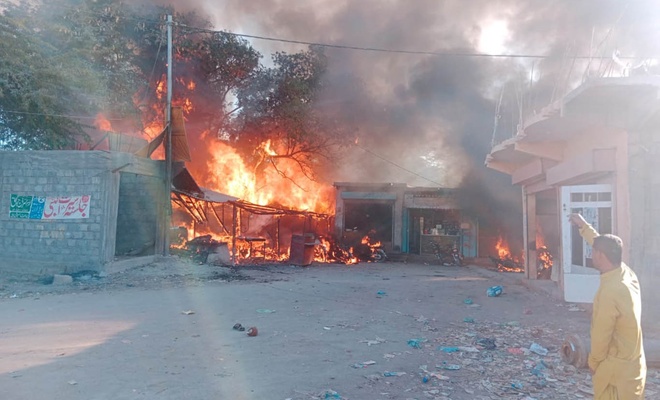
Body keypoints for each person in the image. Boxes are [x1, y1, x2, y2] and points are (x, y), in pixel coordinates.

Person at [569, 213, 646, 399]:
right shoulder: (626, 273)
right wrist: (584, 227)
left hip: (615, 373)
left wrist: (593, 363)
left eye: (593, 252)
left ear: (600, 255)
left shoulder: (610, 292)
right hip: (634, 367)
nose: (591, 255)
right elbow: (602, 244)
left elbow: (601, 334)